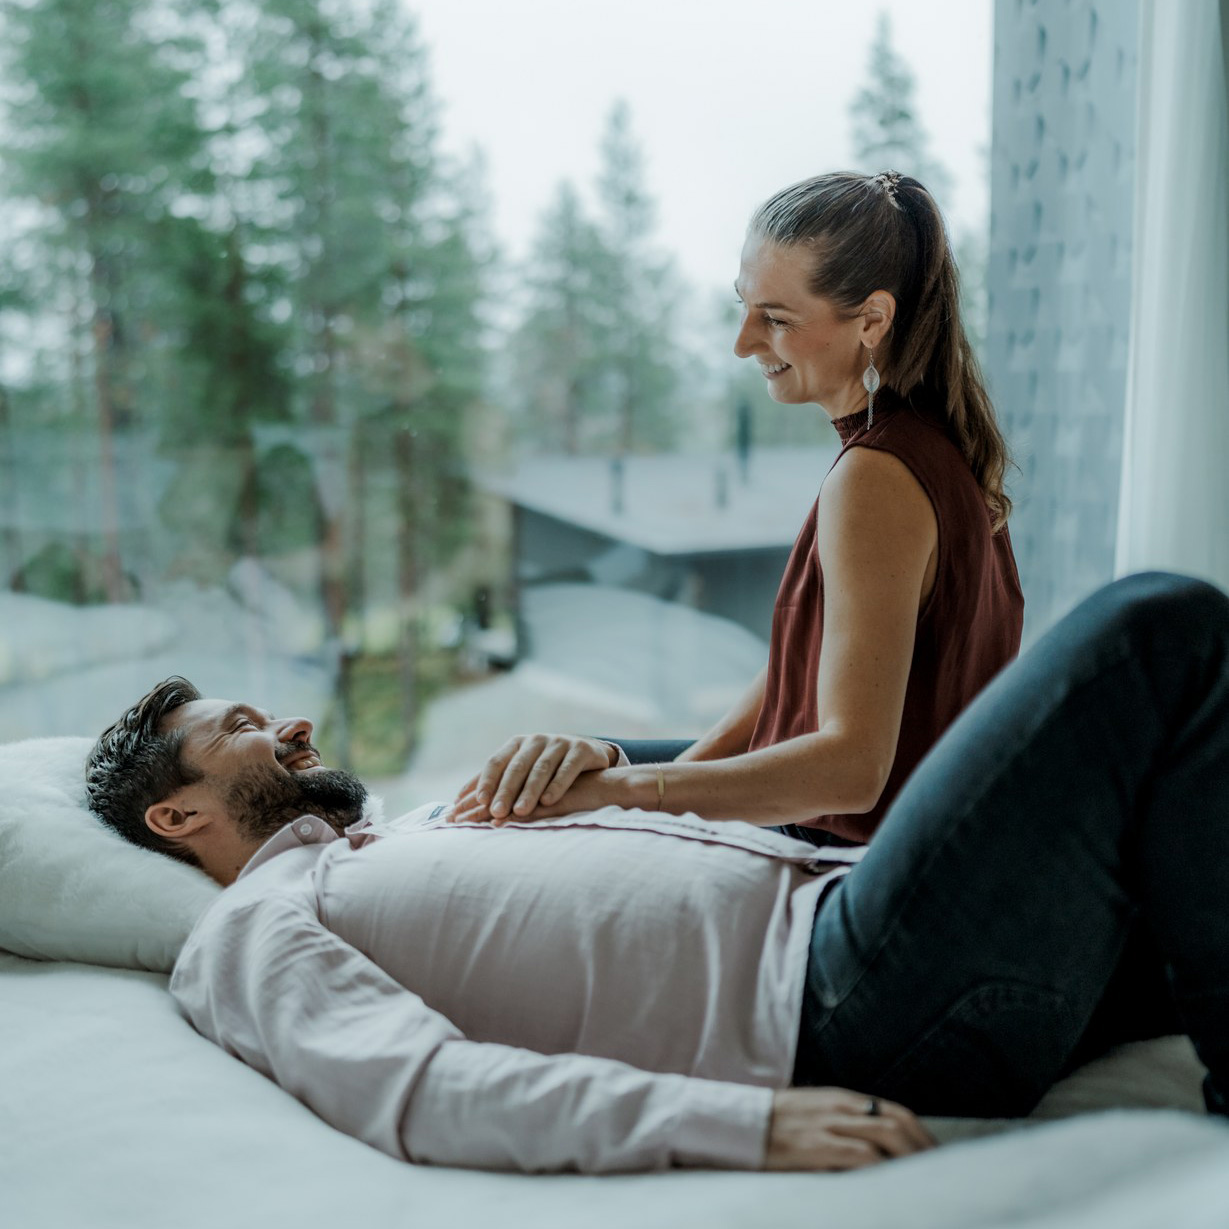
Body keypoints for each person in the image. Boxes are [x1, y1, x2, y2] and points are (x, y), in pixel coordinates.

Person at [86, 573, 1229, 1175]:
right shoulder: (256, 929)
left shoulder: (414, 826)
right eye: (238, 726)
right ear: (177, 809)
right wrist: (742, 1125)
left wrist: (600, 759)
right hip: (845, 1006)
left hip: (853, 901)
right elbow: (425, 1088)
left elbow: (701, 799)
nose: (286, 720)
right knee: (1152, 631)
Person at [454, 170, 1023, 846]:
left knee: (548, 789)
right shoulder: (942, 449)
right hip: (890, 837)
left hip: (849, 863)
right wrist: (630, 810)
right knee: (562, 762)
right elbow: (787, 685)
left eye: (776, 320)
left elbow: (851, 770)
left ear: (871, 319)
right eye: (744, 306)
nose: (743, 342)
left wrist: (630, 795)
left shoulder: (876, 477)